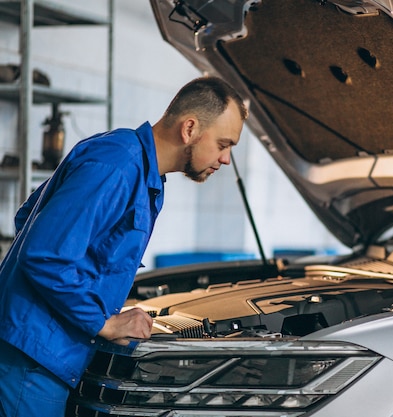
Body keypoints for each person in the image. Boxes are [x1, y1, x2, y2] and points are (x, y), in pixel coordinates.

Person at [0, 76, 247, 417]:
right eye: (223, 144)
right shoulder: (117, 165)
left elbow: (29, 216)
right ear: (189, 128)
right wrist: (105, 323)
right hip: (32, 357)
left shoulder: (143, 174)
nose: (226, 159)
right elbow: (43, 255)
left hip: (47, 352)